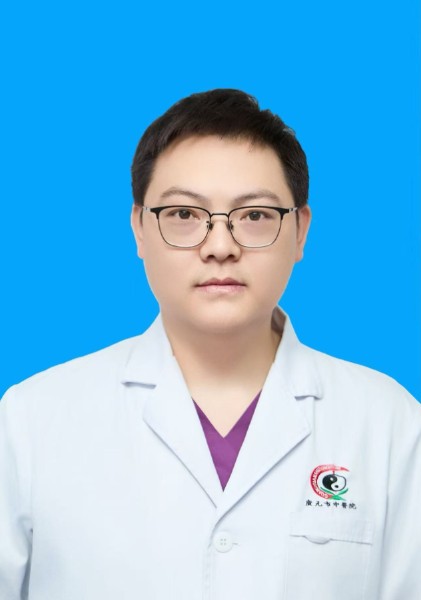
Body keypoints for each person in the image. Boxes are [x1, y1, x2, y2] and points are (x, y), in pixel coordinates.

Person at [0, 89, 420, 600]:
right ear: (139, 228)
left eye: (255, 216)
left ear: (300, 232)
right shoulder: (31, 420)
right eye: (184, 214)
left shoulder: (389, 423)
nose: (220, 247)